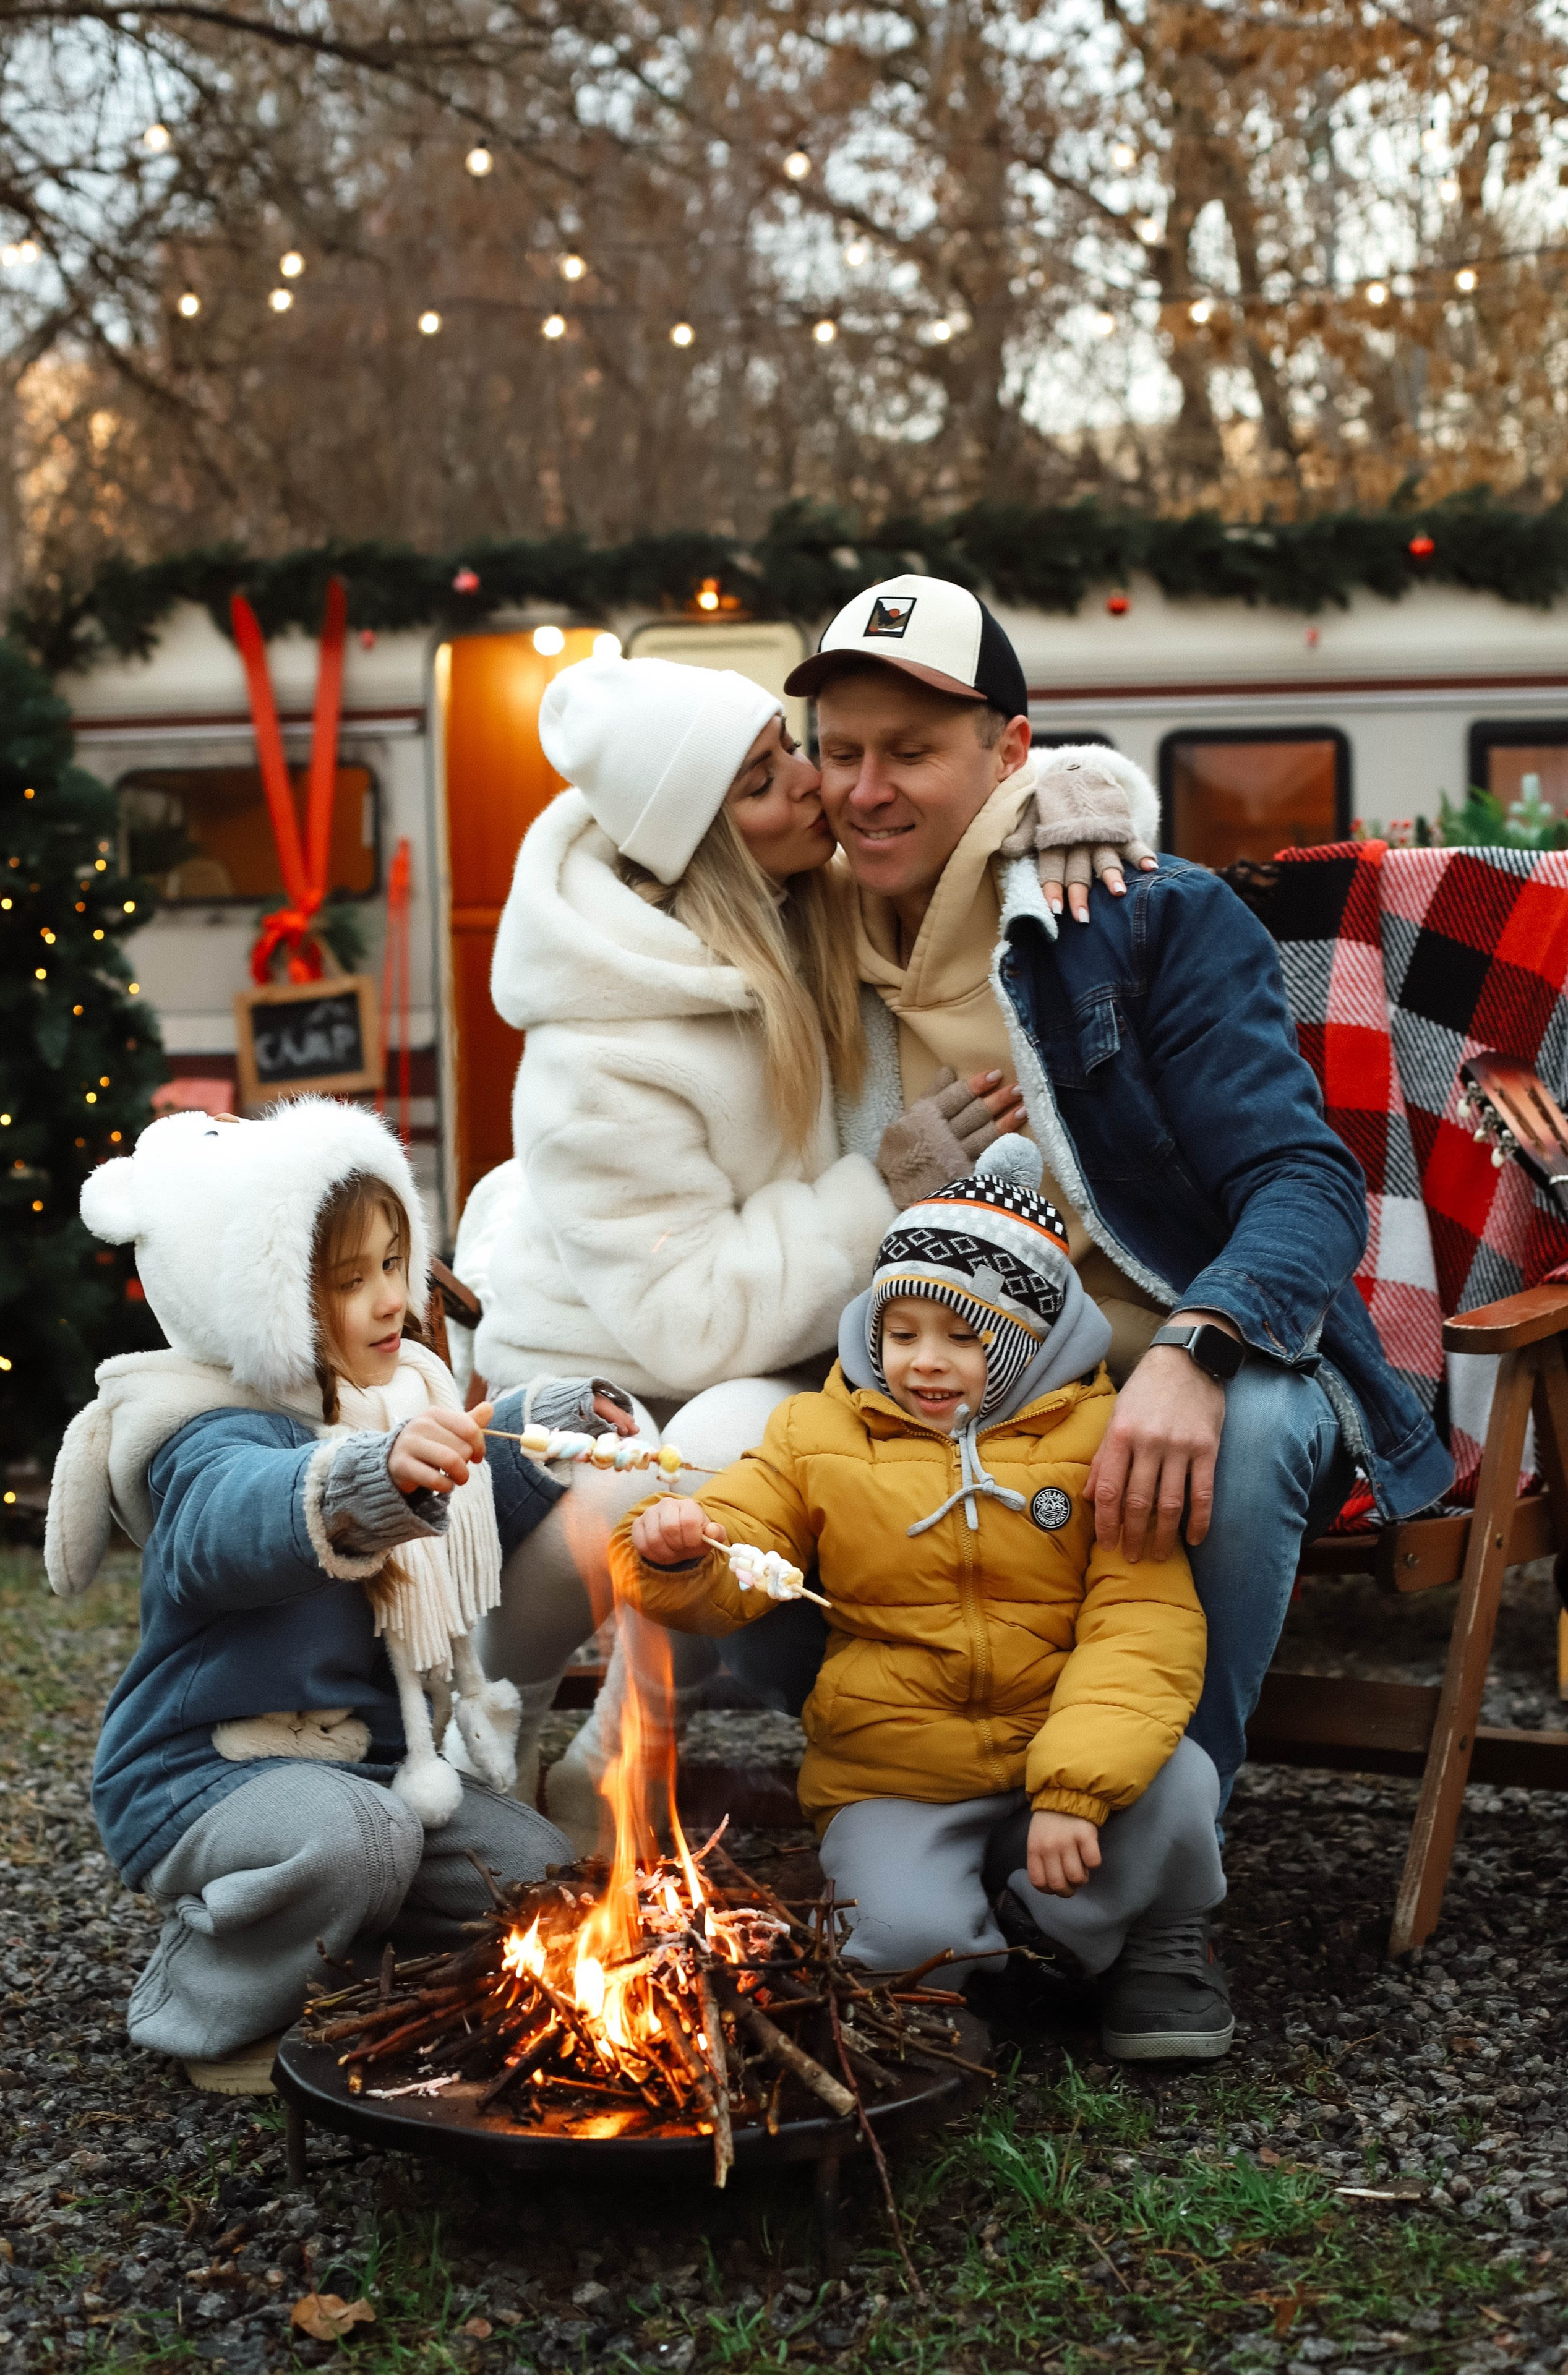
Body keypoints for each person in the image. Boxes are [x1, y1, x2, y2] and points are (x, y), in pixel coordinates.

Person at [774, 572, 1452, 1875]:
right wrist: (881, 1191)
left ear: (1010, 752)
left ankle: (1154, 1884)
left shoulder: (1138, 915)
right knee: (744, 1449)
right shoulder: (795, 937)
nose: (864, 789)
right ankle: (923, 1821)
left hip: (1166, 1350)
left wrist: (1199, 1346)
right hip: (936, 1373)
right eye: (839, 752)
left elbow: (1300, 1183)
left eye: (911, 751)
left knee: (1245, 1430)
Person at [457, 654, 1023, 1844]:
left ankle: (618, 1758)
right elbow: (693, 1319)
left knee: (725, 1439)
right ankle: (488, 1725)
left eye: (789, 751)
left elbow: (1002, 788)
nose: (816, 787)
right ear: (703, 846)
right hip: (587, 1391)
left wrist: (1087, 805)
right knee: (667, 1463)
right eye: (767, 780)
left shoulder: (795, 923)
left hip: (738, 1368)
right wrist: (885, 1187)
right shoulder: (599, 1054)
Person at [612, 1140, 1231, 2060]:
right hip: (894, 1775)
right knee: (900, 1946)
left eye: (964, 1338)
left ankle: (1096, 1934)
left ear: (1029, 1340)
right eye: (900, 1335)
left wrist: (1074, 1790)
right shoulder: (820, 1433)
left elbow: (1141, 1626)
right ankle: (965, 1960)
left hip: (1048, 1759)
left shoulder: (1101, 1441)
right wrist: (679, 1551)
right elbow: (748, 1528)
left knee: (1180, 1783)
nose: (924, 1364)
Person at [44, 1098, 579, 2095]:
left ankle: (352, 1964)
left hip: (370, 1769)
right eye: (348, 1281)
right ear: (264, 1302)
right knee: (359, 1842)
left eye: (392, 1264)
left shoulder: (398, 1397)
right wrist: (360, 1481)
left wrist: (549, 1431)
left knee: (535, 1871)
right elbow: (226, 1529)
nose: (390, 1301)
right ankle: (207, 1998)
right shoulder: (201, 1430)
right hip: (202, 1777)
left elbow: (459, 1510)